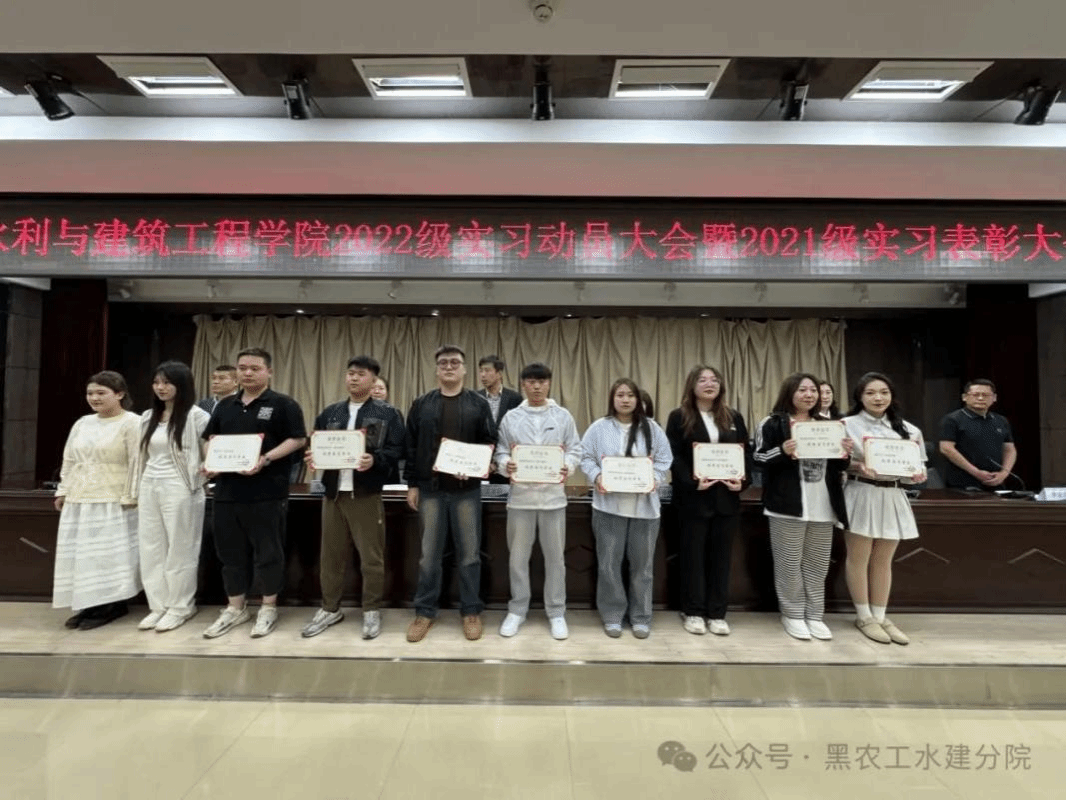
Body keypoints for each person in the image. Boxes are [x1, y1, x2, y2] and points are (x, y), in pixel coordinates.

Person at [201, 348, 307, 639]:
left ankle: (268, 607)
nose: (247, 373)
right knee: (230, 553)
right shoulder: (225, 405)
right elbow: (211, 439)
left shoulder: (283, 404)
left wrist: (266, 458)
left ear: (269, 371)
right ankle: (236, 608)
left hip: (266, 492)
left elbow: (298, 439)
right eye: (242, 367)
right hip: (226, 492)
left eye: (255, 368)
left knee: (268, 552)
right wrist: (210, 461)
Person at [301, 356, 405, 640]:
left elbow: (397, 449)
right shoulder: (331, 412)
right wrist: (312, 456)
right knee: (330, 556)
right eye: (350, 374)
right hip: (333, 494)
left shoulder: (388, 413)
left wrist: (376, 460)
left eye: (360, 374)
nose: (354, 378)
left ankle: (371, 609)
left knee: (371, 557)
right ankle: (330, 608)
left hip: (366, 494)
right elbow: (315, 442)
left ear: (373, 380)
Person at [405, 345, 496, 643]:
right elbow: (411, 447)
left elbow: (489, 441)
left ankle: (471, 611)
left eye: (455, 363)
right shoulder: (422, 404)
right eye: (443, 363)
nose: (448, 367)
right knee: (429, 556)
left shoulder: (478, 404)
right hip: (430, 490)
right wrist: (412, 485)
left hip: (466, 491)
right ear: (436, 369)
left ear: (465, 369)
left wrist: (477, 466)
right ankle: (425, 612)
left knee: (469, 555)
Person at [754, 373, 852, 641]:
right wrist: (782, 451)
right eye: (802, 390)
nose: (809, 395)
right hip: (786, 505)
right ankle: (793, 614)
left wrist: (845, 452)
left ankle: (815, 615)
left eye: (813, 390)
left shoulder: (829, 425)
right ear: (790, 393)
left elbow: (839, 465)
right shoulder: (773, 423)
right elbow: (758, 458)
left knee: (817, 564)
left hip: (824, 504)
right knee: (789, 563)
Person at [494, 362, 582, 640]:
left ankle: (556, 612)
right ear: (523, 385)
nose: (536, 387)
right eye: (531, 382)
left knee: (555, 559)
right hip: (520, 499)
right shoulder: (511, 417)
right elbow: (500, 451)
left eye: (541, 382)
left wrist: (568, 465)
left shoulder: (563, 416)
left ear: (549, 384)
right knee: (517, 559)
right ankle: (517, 609)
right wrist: (505, 464)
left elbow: (575, 449)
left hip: (553, 500)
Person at [580, 378, 672, 639]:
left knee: (642, 567)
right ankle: (612, 615)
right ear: (612, 398)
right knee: (609, 565)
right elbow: (586, 457)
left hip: (645, 510)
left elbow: (664, 460)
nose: (625, 399)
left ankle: (641, 616)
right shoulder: (599, 428)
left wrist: (653, 479)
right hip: (608, 508)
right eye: (620, 395)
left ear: (637, 400)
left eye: (630, 395)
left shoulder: (652, 428)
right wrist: (597, 476)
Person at [842, 371, 926, 646]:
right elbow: (836, 462)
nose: (878, 398)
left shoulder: (910, 430)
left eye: (884, 392)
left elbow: (918, 466)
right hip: (861, 493)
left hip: (894, 496)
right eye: (870, 393)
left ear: (892, 396)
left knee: (883, 560)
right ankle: (864, 616)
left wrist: (917, 475)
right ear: (859, 397)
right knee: (859, 557)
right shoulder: (846, 425)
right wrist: (856, 466)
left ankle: (880, 616)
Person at [53, 371, 141, 630]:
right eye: (90, 393)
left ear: (120, 394)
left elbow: (137, 462)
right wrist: (63, 490)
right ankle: (88, 604)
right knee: (83, 554)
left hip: (113, 499)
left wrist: (132, 495)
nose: (94, 398)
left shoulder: (132, 423)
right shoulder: (82, 423)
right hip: (80, 498)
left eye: (101, 393)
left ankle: (111, 604)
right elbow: (69, 458)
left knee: (107, 555)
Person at [666, 365, 749, 637]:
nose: (709, 384)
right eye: (702, 380)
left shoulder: (733, 416)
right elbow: (674, 456)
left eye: (714, 380)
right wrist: (692, 482)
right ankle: (692, 611)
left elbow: (745, 453)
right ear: (692, 386)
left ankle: (717, 613)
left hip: (726, 499)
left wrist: (742, 481)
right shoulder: (679, 417)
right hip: (693, 500)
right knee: (692, 558)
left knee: (721, 559)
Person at [129, 361, 211, 632]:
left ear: (182, 384)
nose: (160, 387)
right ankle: (158, 606)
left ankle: (180, 607)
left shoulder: (197, 417)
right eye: (156, 382)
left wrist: (207, 471)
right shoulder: (147, 416)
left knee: (181, 548)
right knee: (151, 547)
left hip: (181, 487)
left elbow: (210, 452)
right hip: (150, 484)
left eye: (167, 382)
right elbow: (141, 457)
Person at [938, 378, 1017, 490]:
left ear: (994, 398)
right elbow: (946, 448)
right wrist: (976, 472)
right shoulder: (953, 419)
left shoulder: (1001, 420)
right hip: (963, 484)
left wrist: (1004, 473)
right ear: (964, 397)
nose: (980, 398)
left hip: (996, 481)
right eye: (975, 395)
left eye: (985, 395)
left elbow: (1009, 449)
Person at [477, 355, 522, 485]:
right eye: (481, 371)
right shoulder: (475, 398)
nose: (483, 375)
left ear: (499, 373)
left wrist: (500, 463)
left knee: (503, 496)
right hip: (481, 464)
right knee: (484, 497)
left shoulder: (515, 398)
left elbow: (519, 432)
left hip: (508, 465)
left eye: (487, 370)